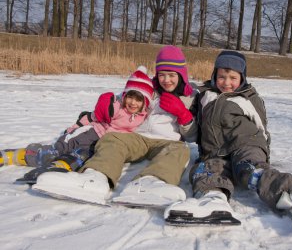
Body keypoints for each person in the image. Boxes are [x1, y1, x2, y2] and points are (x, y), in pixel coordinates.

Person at [164, 51, 292, 237]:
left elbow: (262, 128)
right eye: (222, 76)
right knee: (207, 169)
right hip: (215, 152)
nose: (227, 82)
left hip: (246, 144)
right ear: (215, 75)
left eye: (233, 77)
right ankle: (212, 200)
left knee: (252, 170)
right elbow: (191, 118)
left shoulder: (248, 97)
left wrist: (261, 154)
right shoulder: (204, 95)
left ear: (242, 77)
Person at [31, 45, 198, 207]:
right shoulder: (148, 88)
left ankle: (151, 182)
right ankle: (95, 177)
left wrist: (183, 114)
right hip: (137, 137)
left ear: (181, 74)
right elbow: (121, 100)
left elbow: (192, 136)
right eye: (162, 75)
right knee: (113, 138)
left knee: (180, 150)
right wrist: (107, 103)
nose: (166, 80)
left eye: (171, 75)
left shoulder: (190, 97)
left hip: (167, 141)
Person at [15, 67, 154, 183]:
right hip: (91, 134)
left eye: (138, 99)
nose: (133, 103)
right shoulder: (116, 107)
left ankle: (55, 168)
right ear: (124, 96)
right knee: (59, 149)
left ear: (145, 102)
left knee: (79, 157)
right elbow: (92, 116)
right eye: (130, 97)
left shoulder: (143, 117)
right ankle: (20, 155)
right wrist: (75, 128)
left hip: (104, 145)